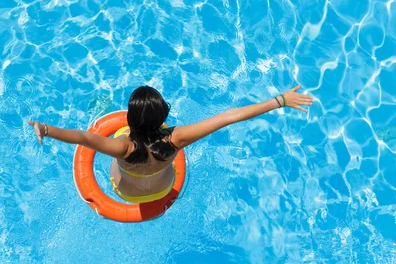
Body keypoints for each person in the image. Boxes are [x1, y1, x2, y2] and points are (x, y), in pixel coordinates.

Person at [28, 84, 314, 203]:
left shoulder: (123, 148)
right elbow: (228, 117)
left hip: (126, 194)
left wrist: (46, 128)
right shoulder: (177, 138)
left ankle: (99, 104)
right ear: (163, 115)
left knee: (103, 130)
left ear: (130, 118)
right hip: (164, 189)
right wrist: (280, 101)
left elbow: (82, 137)